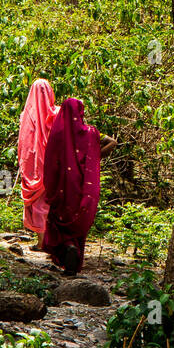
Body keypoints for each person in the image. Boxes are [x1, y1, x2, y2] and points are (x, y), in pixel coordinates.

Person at [39, 97, 117, 275]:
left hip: (62, 188)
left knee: (60, 220)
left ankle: (68, 249)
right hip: (81, 188)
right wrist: (95, 156)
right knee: (76, 220)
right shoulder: (90, 133)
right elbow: (113, 142)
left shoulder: (57, 134)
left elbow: (50, 162)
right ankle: (73, 252)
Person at [18, 79, 59, 238]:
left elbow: (22, 141)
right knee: (48, 200)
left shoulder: (25, 115)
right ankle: (49, 239)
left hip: (31, 163)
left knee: (37, 201)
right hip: (50, 163)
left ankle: (41, 240)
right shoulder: (57, 113)